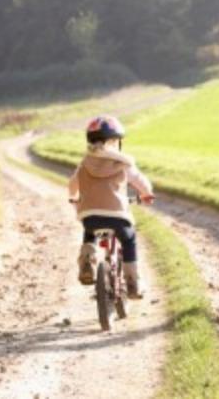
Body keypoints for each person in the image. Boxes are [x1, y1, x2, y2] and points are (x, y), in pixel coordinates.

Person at [68, 115, 154, 299]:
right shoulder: (122, 164)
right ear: (114, 142)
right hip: (117, 215)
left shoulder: (84, 163)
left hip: (89, 215)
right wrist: (147, 193)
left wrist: (73, 198)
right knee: (129, 239)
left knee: (90, 232)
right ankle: (133, 283)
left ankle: (86, 262)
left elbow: (72, 184)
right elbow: (140, 181)